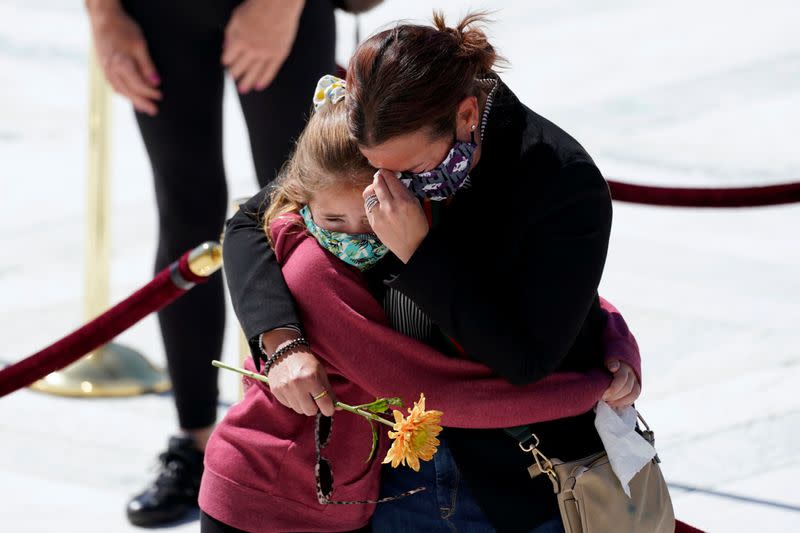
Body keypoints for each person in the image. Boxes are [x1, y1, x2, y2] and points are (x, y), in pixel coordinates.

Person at [199, 75, 642, 533]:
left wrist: (615, 340)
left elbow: (554, 292)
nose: (354, 234)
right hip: (272, 497)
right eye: (333, 219)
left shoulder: (412, 220)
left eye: (371, 209)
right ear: (301, 201)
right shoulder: (317, 270)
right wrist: (590, 388)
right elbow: (433, 393)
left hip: (348, 501)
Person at [84, 0, 336, 526]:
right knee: (183, 210)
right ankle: (193, 439)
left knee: (301, 208)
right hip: (159, 15)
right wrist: (104, 15)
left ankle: (314, 438)